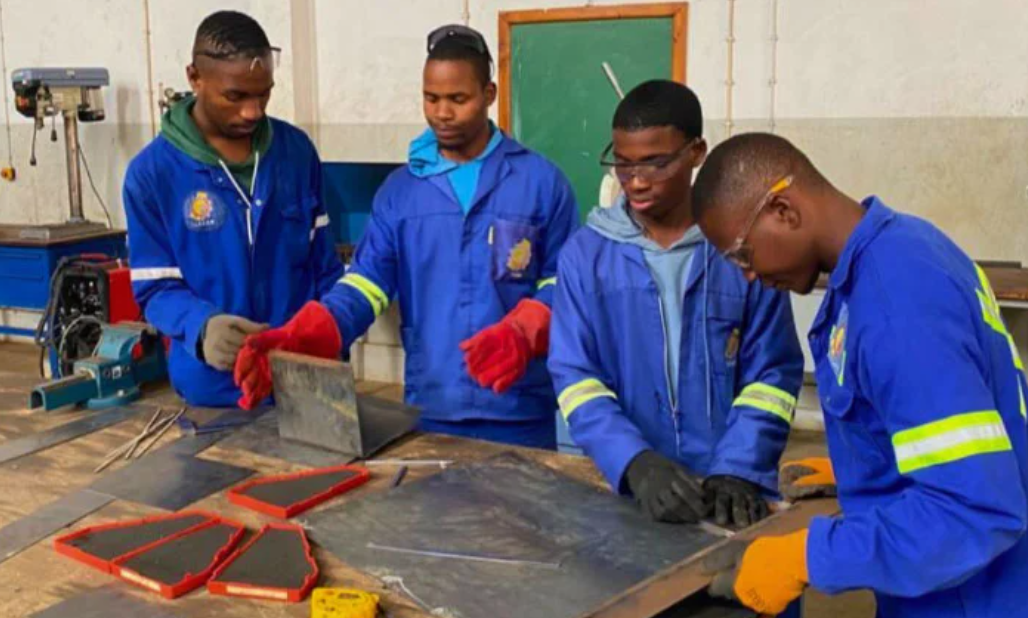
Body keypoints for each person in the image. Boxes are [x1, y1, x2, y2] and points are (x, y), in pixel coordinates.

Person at [695, 132, 1028, 617]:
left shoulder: (895, 301)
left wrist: (808, 556)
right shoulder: (901, 247)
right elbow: (960, 421)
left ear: (783, 211)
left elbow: (972, 511)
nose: (747, 276)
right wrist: (868, 468)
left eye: (743, 255)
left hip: (973, 596)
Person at [234, 25, 578, 449]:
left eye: (458, 99)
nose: (442, 114)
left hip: (519, 409)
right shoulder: (402, 193)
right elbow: (366, 284)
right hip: (433, 410)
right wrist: (307, 335)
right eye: (431, 99)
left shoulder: (540, 183)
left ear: (489, 95)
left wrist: (525, 330)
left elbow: (564, 283)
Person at [547, 81, 804, 527]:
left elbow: (773, 375)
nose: (637, 182)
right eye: (623, 166)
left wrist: (738, 467)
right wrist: (632, 461)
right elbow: (575, 377)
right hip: (624, 488)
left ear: (697, 152)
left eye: (655, 163)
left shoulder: (740, 250)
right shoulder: (585, 258)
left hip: (728, 495)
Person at [124, 10, 342, 407]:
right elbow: (155, 287)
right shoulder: (152, 175)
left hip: (303, 378)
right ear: (195, 78)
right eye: (235, 96)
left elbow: (324, 267)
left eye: (264, 93)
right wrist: (201, 326)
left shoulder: (295, 152)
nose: (253, 111)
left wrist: (328, 339)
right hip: (214, 389)